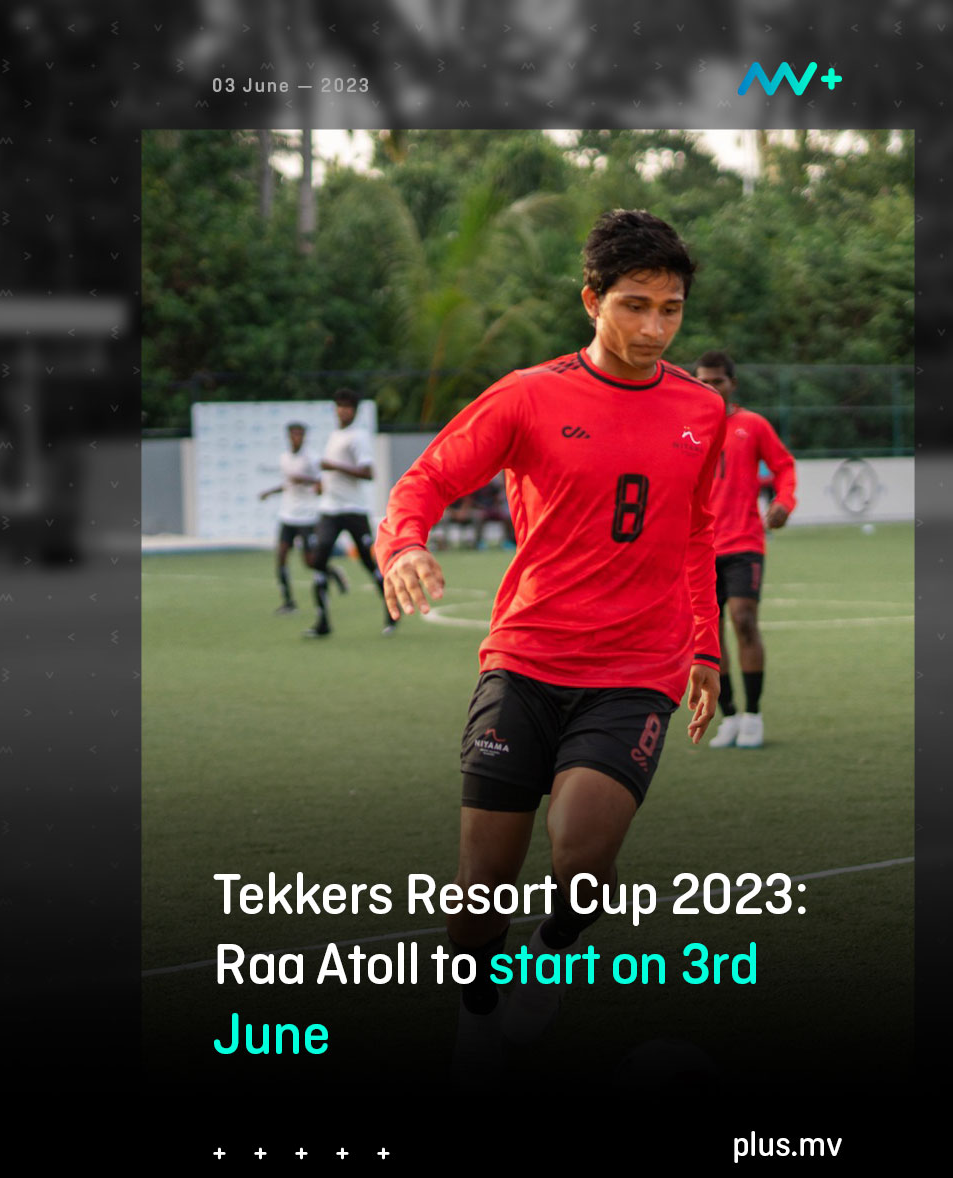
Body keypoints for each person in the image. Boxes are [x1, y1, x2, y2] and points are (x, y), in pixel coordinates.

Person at [376, 209, 728, 1086]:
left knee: (582, 853)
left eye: (671, 309)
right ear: (592, 301)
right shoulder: (528, 396)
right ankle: (477, 1016)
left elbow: (695, 534)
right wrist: (404, 544)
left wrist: (704, 649)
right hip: (527, 659)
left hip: (636, 670)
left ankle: (552, 954)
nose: (655, 328)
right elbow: (426, 479)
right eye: (636, 305)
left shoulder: (703, 410)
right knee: (480, 888)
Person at [694, 350, 797, 749]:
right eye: (702, 381)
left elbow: (784, 465)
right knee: (708, 636)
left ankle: (753, 715)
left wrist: (784, 501)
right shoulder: (685, 427)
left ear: (732, 384)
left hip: (743, 542)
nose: (710, 388)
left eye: (717, 381)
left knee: (744, 620)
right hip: (697, 549)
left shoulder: (752, 425)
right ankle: (729, 716)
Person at [305, 388, 396, 638]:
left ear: (354, 411)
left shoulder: (358, 437)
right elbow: (330, 471)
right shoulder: (334, 435)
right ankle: (322, 622)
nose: (343, 411)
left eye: (348, 407)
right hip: (330, 509)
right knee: (318, 560)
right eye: (340, 406)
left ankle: (391, 610)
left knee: (369, 563)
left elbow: (368, 473)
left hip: (353, 510)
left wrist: (332, 466)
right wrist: (321, 483)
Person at [258, 422, 345, 614]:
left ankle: (333, 572)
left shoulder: (312, 459)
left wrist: (305, 480)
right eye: (293, 434)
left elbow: (321, 486)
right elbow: (287, 484)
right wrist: (269, 492)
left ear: (304, 437)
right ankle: (288, 602)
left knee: (310, 561)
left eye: (300, 435)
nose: (296, 438)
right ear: (288, 436)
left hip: (306, 517)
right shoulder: (284, 458)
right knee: (281, 556)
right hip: (287, 515)